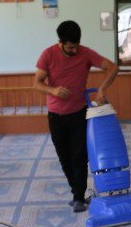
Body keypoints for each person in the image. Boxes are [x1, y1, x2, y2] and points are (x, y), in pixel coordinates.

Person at [33, 20, 119, 212]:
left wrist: (102, 89)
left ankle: (78, 197)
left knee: (80, 157)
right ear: (61, 42)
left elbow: (113, 67)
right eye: (70, 47)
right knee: (64, 157)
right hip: (56, 117)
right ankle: (77, 192)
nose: (74, 51)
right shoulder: (48, 54)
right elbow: (37, 83)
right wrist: (53, 90)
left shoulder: (85, 53)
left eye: (76, 46)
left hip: (79, 114)